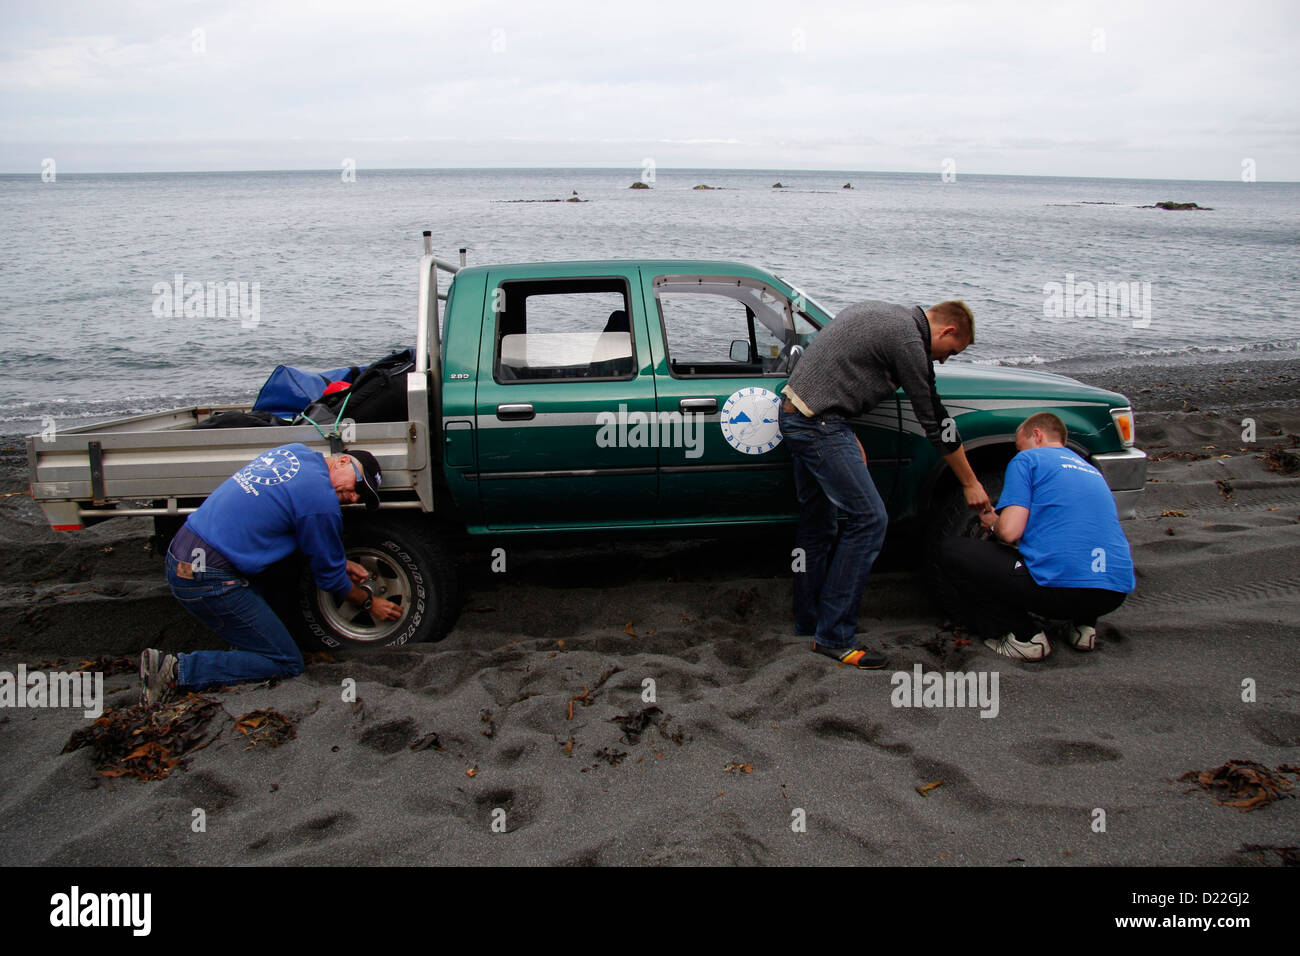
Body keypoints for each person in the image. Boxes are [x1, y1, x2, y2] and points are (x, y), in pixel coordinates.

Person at [780, 299, 992, 669]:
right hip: (820, 426)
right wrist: (971, 483)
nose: (942, 360)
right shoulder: (908, 339)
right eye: (950, 352)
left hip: (799, 414)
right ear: (947, 330)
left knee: (819, 522)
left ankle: (810, 620)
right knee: (870, 520)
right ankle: (835, 636)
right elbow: (934, 418)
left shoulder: (881, 311)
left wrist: (842, 424)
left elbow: (826, 363)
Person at [139, 444, 403, 704]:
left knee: (281, 579)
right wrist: (370, 603)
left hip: (184, 551)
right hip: (207, 578)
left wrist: (340, 562)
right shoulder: (320, 503)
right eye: (358, 486)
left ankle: (247, 641)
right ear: (343, 462)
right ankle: (177, 669)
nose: (355, 497)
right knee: (286, 661)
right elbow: (331, 580)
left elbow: (280, 513)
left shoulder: (294, 453)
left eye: (362, 496)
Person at [938, 412, 1135, 660]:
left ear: (1037, 435)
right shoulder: (1091, 470)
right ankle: (1083, 628)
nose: (1019, 452)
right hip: (1113, 594)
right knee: (1083, 546)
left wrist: (991, 524)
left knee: (953, 550)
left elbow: (1009, 533)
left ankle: (1024, 636)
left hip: (1060, 593)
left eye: (1020, 446)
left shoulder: (1029, 460)